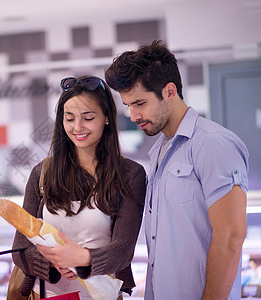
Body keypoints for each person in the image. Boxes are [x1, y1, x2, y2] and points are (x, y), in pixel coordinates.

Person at [105, 40, 249, 300]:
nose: (133, 115)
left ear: (169, 91)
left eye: (139, 103)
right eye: (128, 105)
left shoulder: (213, 143)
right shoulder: (159, 150)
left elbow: (231, 236)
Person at [11, 75, 146, 299]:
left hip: (102, 294)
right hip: (46, 294)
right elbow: (20, 247)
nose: (77, 127)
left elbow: (123, 249)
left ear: (106, 118)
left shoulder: (130, 175)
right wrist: (52, 262)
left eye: (88, 117)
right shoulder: (42, 173)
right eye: (70, 118)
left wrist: (82, 258)